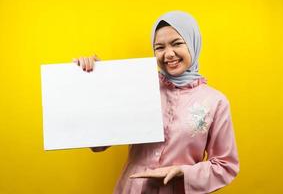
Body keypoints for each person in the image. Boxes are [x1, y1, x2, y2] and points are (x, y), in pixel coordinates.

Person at [73, 11, 239, 194]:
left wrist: (183, 172)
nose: (168, 54)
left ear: (193, 43)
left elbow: (226, 166)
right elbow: (98, 145)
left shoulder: (215, 102)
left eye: (177, 43)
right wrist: (95, 81)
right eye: (159, 47)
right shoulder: (139, 88)